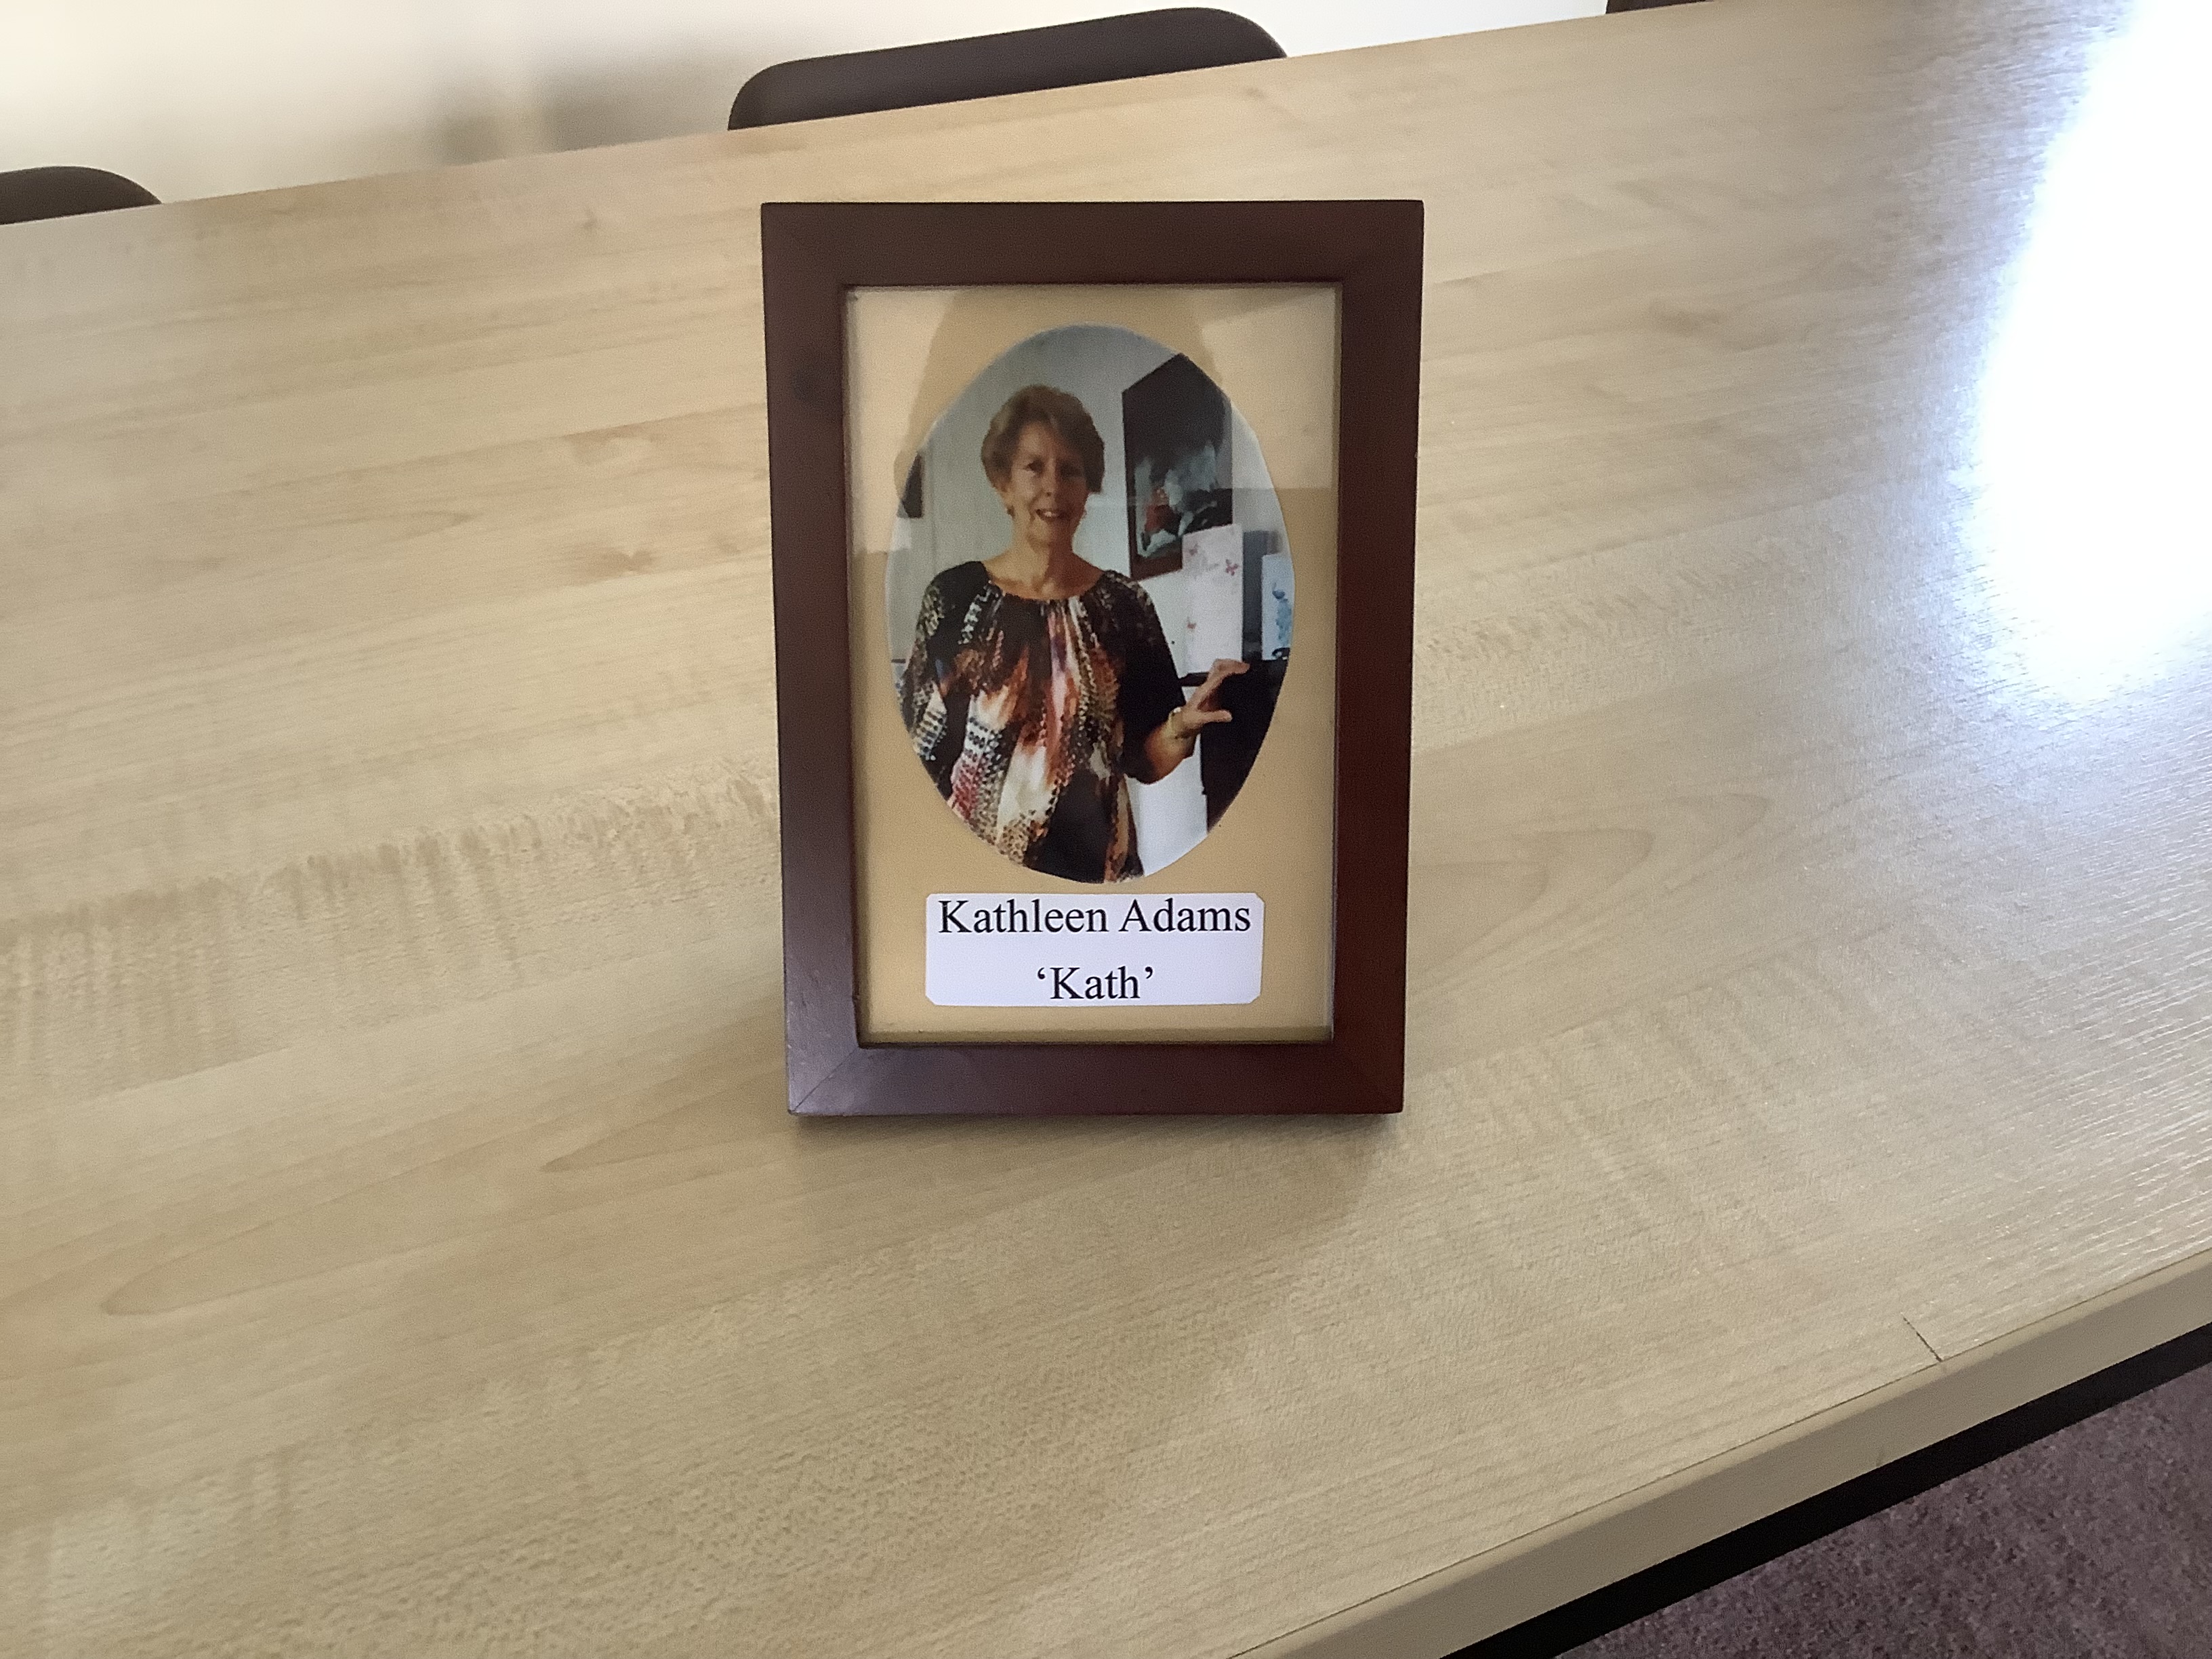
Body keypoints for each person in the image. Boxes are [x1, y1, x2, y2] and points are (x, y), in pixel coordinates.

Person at [901, 384, 1246, 882]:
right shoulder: (953, 599)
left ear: (1087, 491)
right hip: (983, 888)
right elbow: (922, 758)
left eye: (1070, 470)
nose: (1053, 486)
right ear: (1003, 484)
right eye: (1034, 467)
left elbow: (1143, 762)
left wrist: (1180, 727)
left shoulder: (1124, 606)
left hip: (1097, 885)